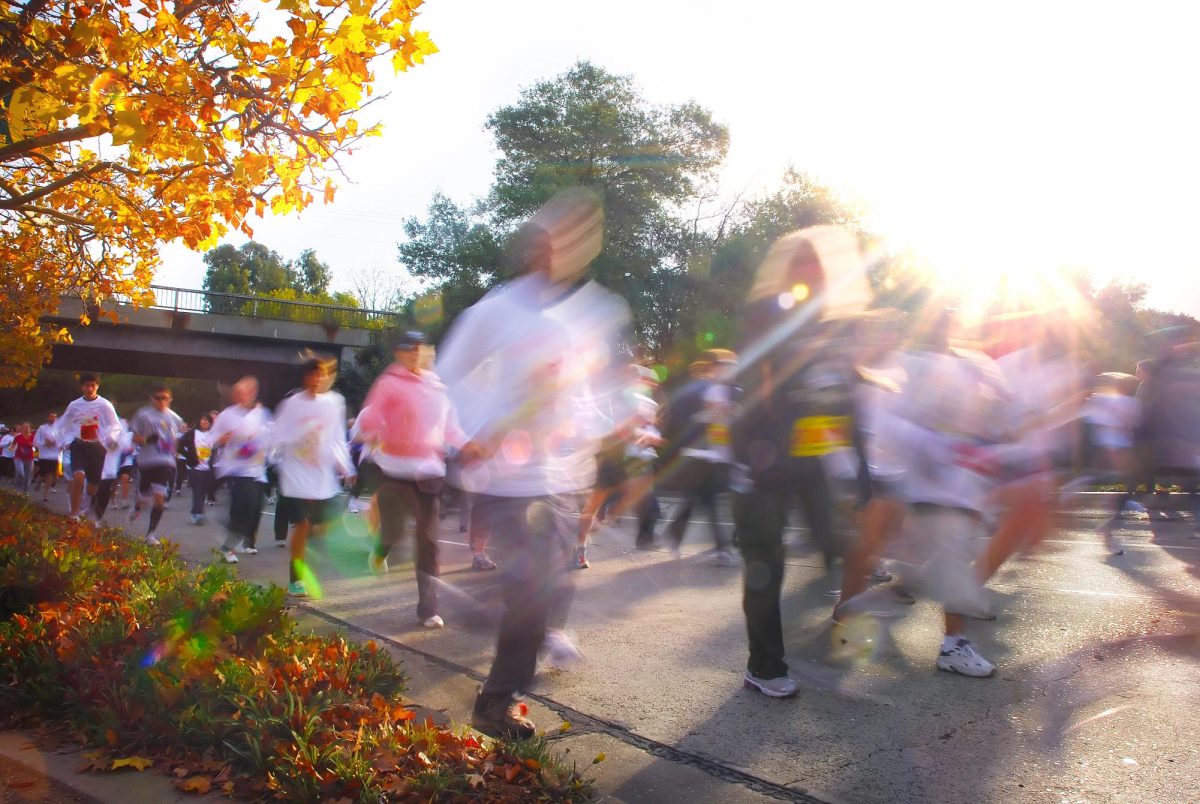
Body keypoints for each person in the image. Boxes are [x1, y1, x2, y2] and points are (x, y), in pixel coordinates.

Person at [438, 190, 621, 740]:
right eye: (551, 237)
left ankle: (499, 628)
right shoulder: (497, 310)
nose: (560, 248)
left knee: (546, 585)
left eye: (575, 237)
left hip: (559, 478)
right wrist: (472, 435)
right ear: (536, 244)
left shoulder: (590, 314)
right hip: (506, 476)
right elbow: (448, 376)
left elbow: (585, 395)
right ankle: (496, 700)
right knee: (532, 586)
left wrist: (601, 435)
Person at [731, 227, 872, 698]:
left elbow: (845, 395)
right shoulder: (767, 314)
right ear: (788, 269)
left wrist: (863, 462)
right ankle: (764, 666)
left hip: (812, 463)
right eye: (803, 263)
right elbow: (754, 385)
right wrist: (754, 457)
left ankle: (853, 620)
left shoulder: (833, 323)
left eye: (819, 264)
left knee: (844, 545)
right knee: (766, 567)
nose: (812, 272)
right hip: (764, 464)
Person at [356, 330, 475, 627]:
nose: (414, 354)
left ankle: (428, 608)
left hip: (429, 472)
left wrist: (471, 445)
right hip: (393, 471)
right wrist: (374, 424)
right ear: (399, 352)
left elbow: (451, 429)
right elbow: (370, 417)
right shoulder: (388, 383)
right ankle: (381, 550)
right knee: (394, 532)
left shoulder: (439, 389)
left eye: (419, 349)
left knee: (428, 541)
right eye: (408, 349)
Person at [272, 356, 355, 596]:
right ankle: (295, 579)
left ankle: (306, 544)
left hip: (321, 475)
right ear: (305, 377)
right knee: (302, 524)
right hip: (296, 473)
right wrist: (277, 452)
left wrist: (346, 466)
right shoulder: (293, 404)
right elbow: (278, 434)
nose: (317, 379)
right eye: (313, 374)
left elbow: (338, 437)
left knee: (327, 521)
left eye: (322, 374)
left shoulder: (334, 403)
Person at [660, 352, 740, 565]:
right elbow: (684, 417)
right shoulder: (702, 389)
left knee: (698, 499)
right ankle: (724, 548)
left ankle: (674, 532)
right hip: (701, 455)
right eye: (727, 366)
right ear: (715, 367)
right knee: (711, 501)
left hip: (715, 454)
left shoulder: (724, 390)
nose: (730, 371)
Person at [210, 376, 273, 563]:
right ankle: (228, 546)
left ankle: (228, 540)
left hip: (258, 471)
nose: (241, 396)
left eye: (246, 392)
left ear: (253, 393)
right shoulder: (227, 415)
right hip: (238, 470)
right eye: (238, 393)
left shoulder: (261, 414)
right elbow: (211, 440)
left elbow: (270, 438)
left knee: (254, 510)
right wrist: (224, 438)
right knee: (244, 508)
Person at [56, 373, 122, 520]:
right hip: (79, 445)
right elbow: (62, 424)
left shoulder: (105, 404)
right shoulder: (74, 405)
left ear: (97, 386)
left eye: (93, 385)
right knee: (78, 478)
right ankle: (73, 514)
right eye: (87, 385)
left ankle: (88, 504)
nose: (90, 388)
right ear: (82, 387)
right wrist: (64, 442)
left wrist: (111, 438)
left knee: (93, 487)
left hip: (97, 447)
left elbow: (115, 425)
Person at [128, 386, 185, 545]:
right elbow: (134, 437)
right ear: (152, 399)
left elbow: (176, 438)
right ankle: (137, 506)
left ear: (169, 399)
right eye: (158, 398)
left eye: (164, 398)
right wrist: (147, 440)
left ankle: (150, 534)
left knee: (159, 500)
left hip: (165, 462)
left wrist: (174, 449)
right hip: (146, 462)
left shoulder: (175, 418)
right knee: (143, 497)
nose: (161, 401)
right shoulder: (143, 415)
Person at [178, 414, 217, 525]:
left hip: (207, 467)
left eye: (208, 421)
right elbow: (179, 446)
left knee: (203, 490)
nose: (205, 422)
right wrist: (190, 457)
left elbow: (213, 450)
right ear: (199, 421)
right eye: (203, 419)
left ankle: (199, 512)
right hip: (194, 467)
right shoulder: (192, 434)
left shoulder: (212, 435)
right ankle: (196, 514)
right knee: (198, 490)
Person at [34, 412, 63, 501]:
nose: (53, 418)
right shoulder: (42, 428)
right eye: (51, 416)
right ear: (48, 417)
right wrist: (45, 443)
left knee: (50, 475)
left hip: (54, 456)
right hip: (43, 456)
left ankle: (45, 495)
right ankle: (39, 480)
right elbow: (35, 442)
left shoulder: (59, 429)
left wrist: (55, 443)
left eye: (55, 417)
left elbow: (62, 442)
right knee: (43, 475)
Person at [12, 423, 36, 493]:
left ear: (30, 429)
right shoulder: (17, 436)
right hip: (18, 457)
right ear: (22, 429)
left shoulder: (33, 437)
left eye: (27, 427)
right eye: (24, 427)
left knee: (27, 475)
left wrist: (32, 444)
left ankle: (25, 491)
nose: (26, 429)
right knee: (21, 472)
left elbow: (37, 445)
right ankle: (16, 488)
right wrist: (11, 449)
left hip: (29, 458)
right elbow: (13, 445)